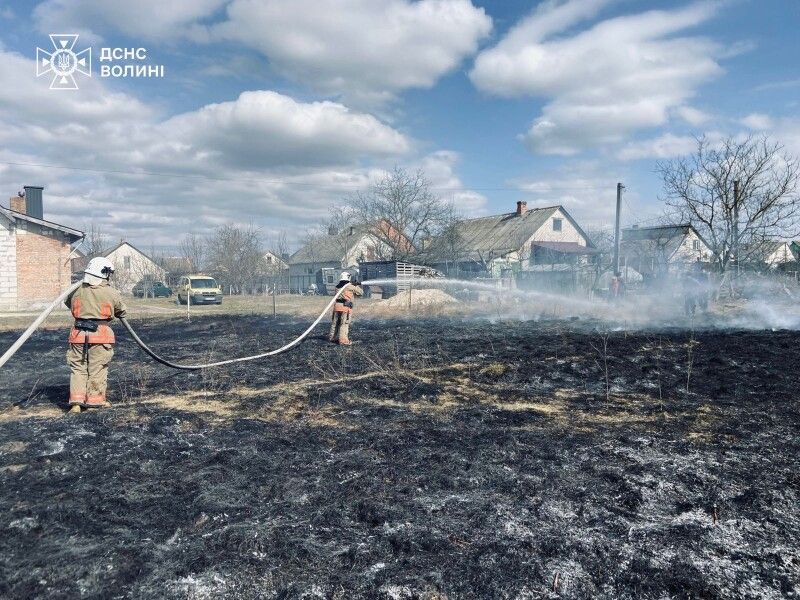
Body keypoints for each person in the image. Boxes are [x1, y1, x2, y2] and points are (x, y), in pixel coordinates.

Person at [65, 257, 127, 413]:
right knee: (97, 368)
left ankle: (76, 403)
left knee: (78, 368)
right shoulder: (111, 292)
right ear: (105, 273)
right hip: (100, 335)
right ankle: (95, 401)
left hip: (78, 334)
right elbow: (121, 310)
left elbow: (67, 302)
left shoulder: (76, 289)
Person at [329, 272, 363, 345]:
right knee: (344, 324)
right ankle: (343, 341)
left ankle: (333, 338)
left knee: (335, 323)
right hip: (345, 308)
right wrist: (356, 285)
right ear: (348, 278)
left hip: (337, 307)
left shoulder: (337, 287)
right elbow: (361, 293)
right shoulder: (350, 286)